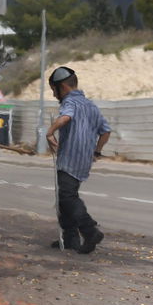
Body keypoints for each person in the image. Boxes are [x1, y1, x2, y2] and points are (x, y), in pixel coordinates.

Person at [46, 66, 111, 253]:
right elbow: (105, 131)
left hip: (69, 160)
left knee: (67, 197)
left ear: (63, 87)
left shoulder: (70, 102)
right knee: (65, 199)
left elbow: (65, 118)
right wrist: (97, 152)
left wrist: (50, 132)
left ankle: (90, 230)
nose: (54, 95)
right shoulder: (91, 105)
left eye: (54, 90)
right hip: (84, 161)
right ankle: (70, 240)